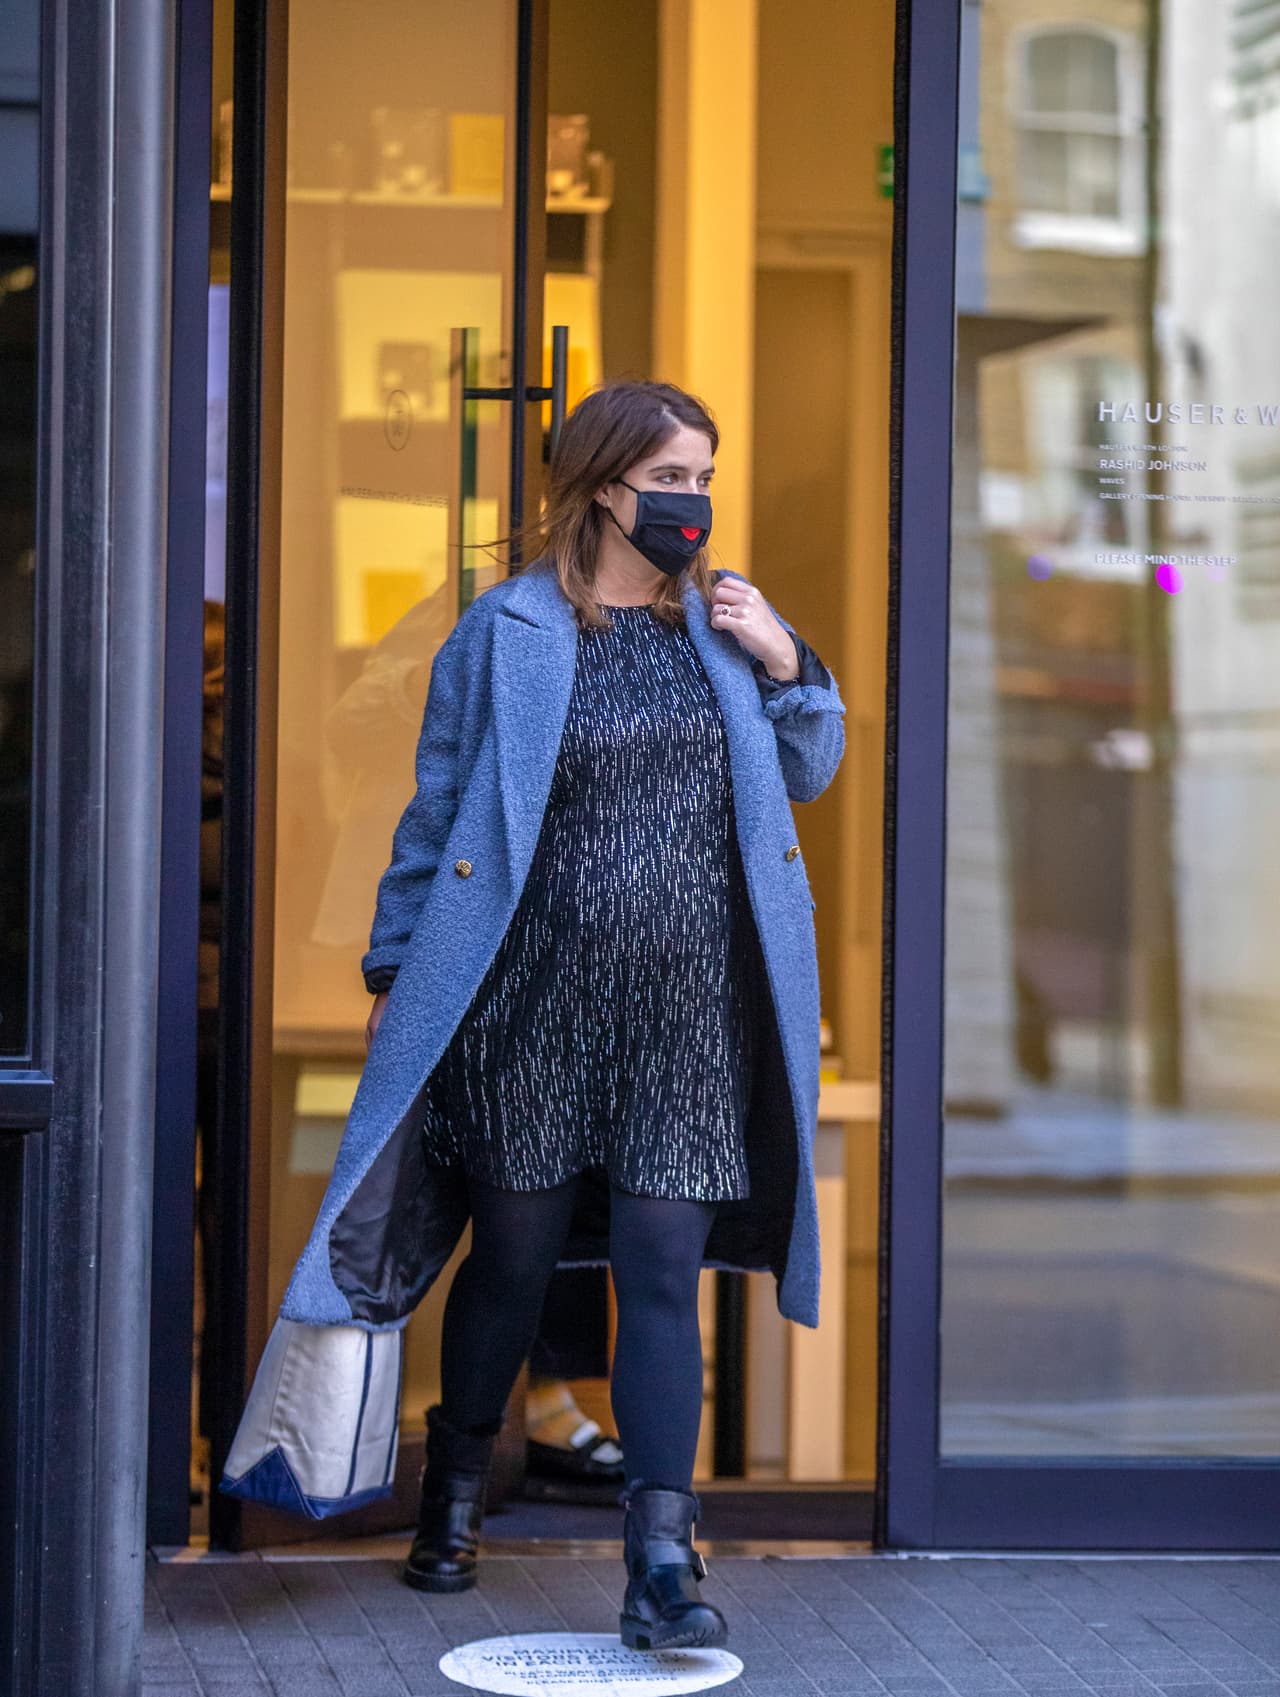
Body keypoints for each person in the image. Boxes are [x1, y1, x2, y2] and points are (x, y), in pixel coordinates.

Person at [221, 379, 844, 1654]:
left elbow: (808, 766)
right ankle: (451, 1496)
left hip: (685, 1019)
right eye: (669, 478)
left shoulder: (727, 626)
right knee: (511, 1260)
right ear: (605, 486)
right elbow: (435, 805)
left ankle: (659, 1560)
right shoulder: (503, 628)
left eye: (703, 476)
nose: (691, 501)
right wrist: (395, 969)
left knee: (661, 1275)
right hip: (529, 1008)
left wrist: (793, 662)